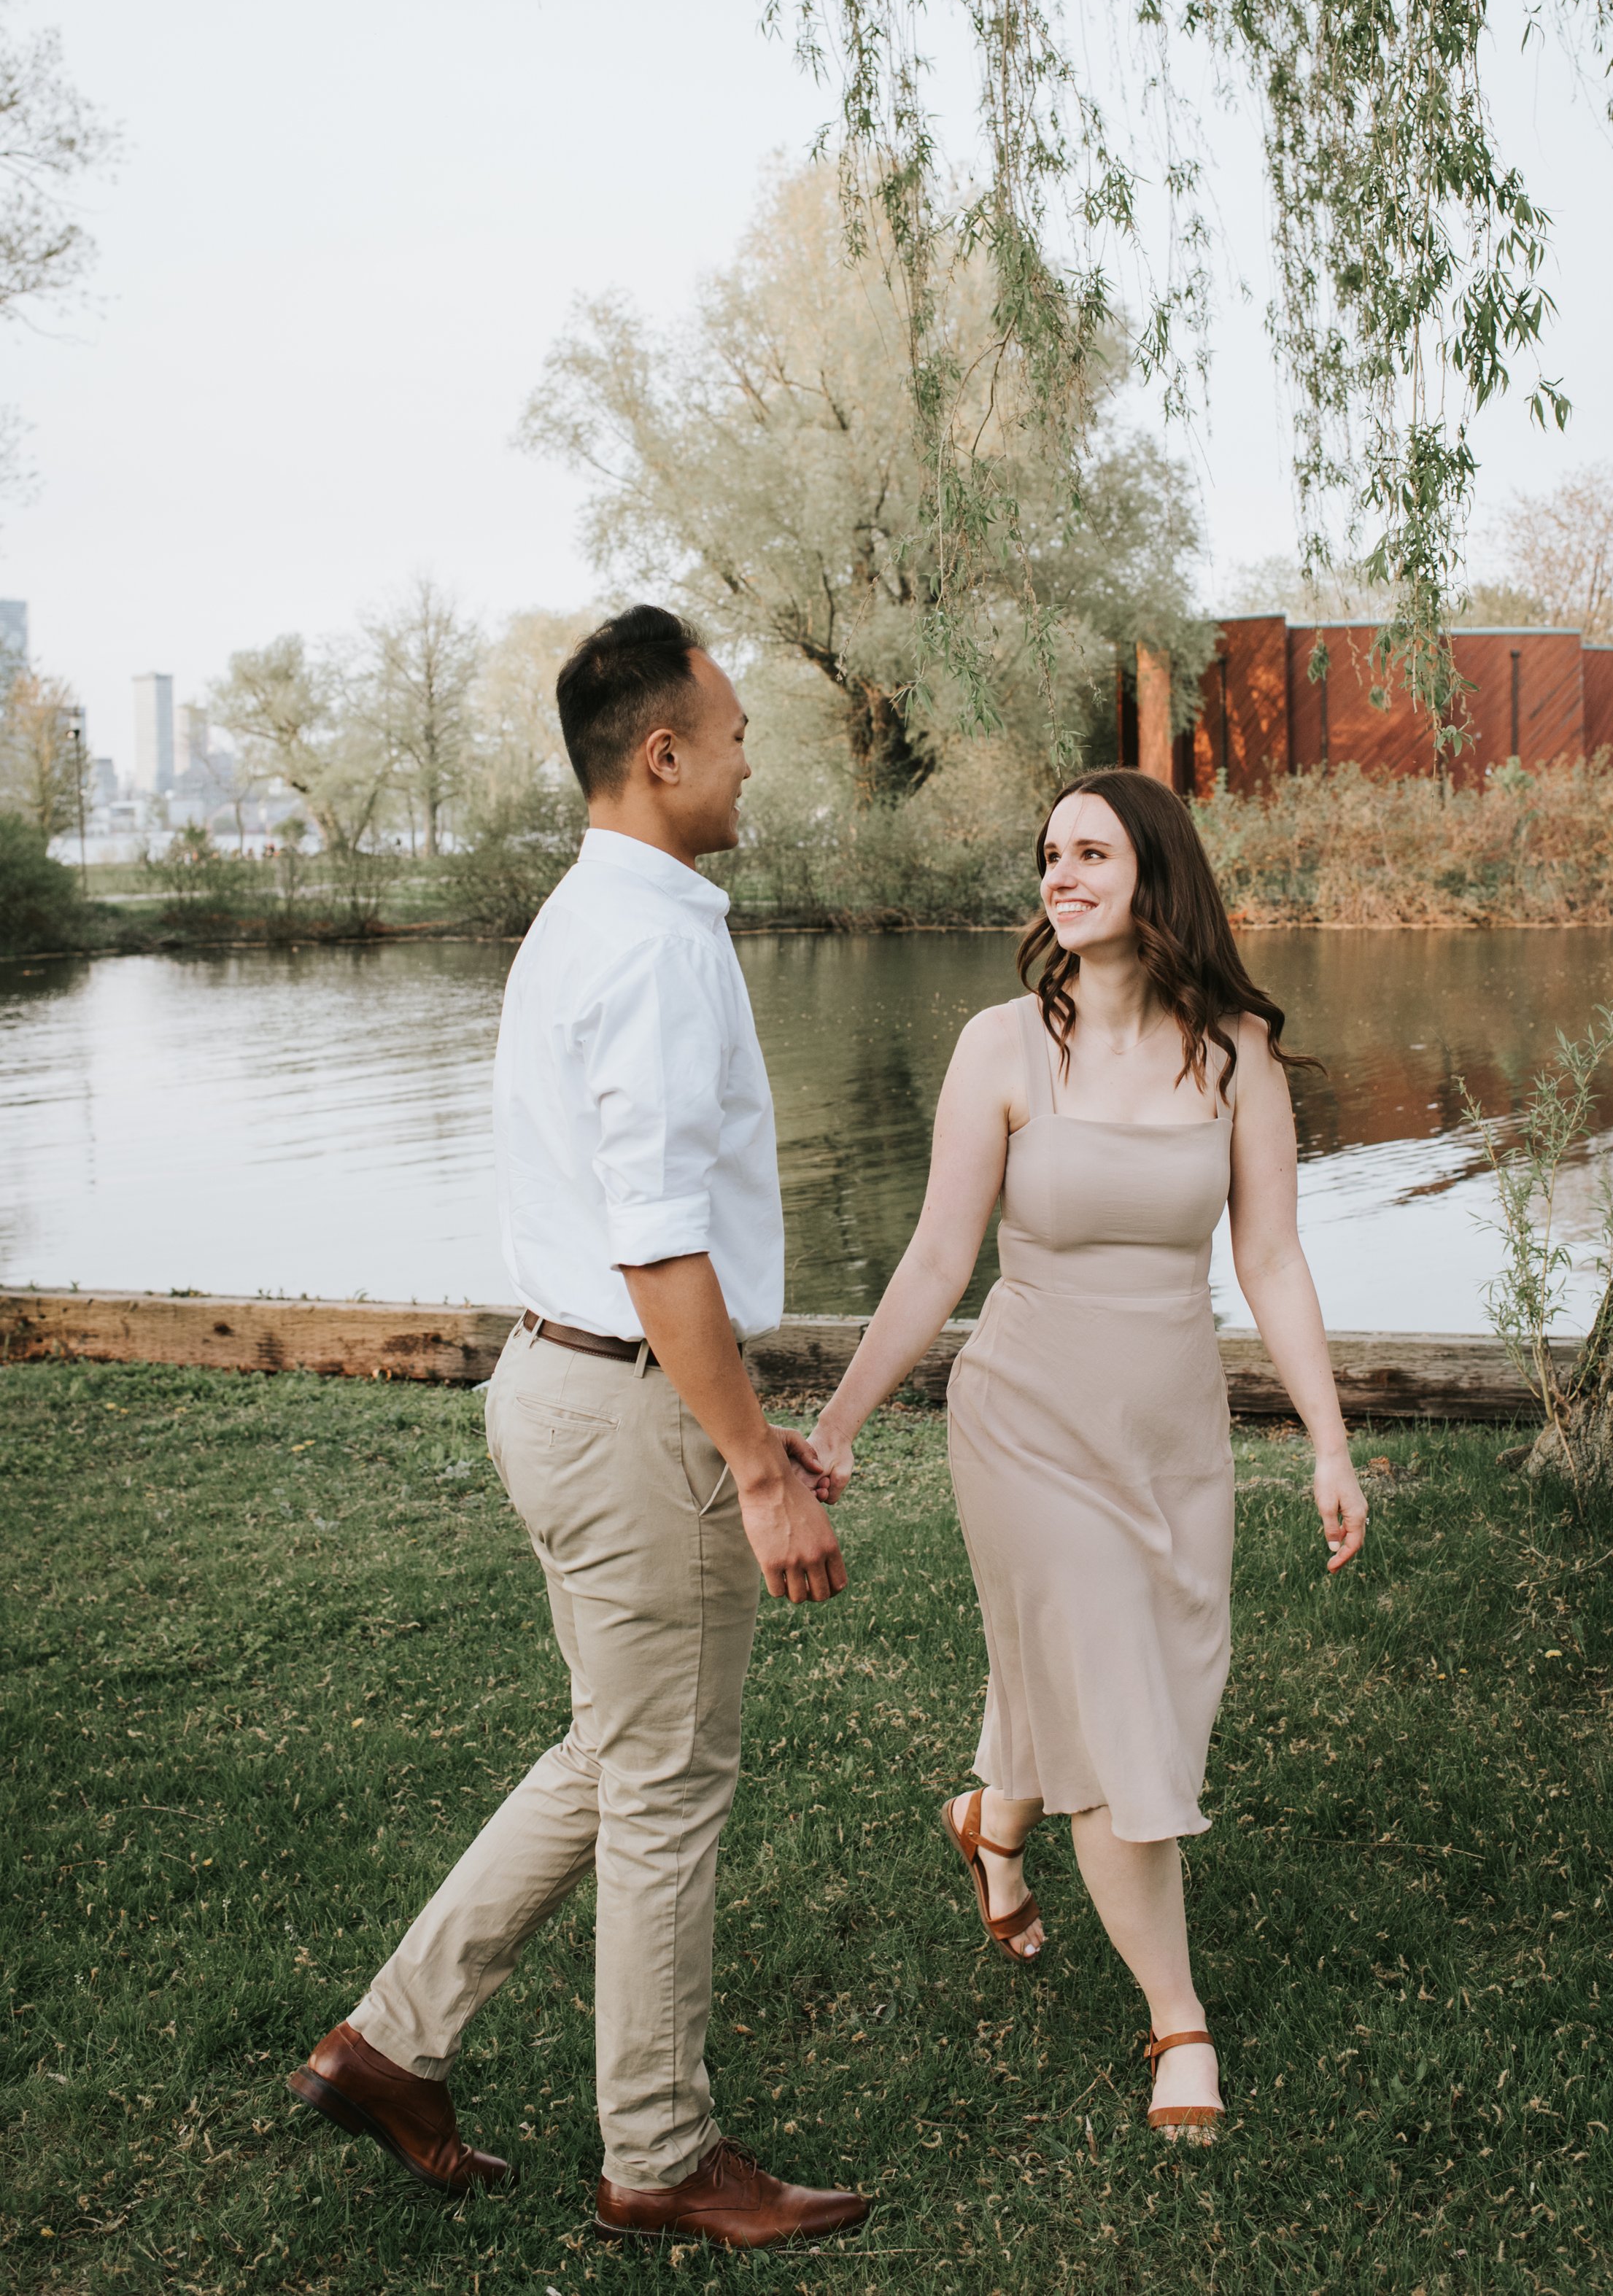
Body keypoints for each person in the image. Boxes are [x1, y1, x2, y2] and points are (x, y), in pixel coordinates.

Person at [289, 605, 868, 2252]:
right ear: (663, 753)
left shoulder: (580, 918)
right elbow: (659, 1241)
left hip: (559, 1389)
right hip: (623, 1405)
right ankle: (661, 2154)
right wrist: (751, 1467)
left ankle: (390, 2045)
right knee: (668, 1779)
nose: (753, 755)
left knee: (610, 1753)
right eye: (736, 730)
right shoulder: (656, 942)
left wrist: (737, 1427)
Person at [804, 767, 1367, 2138]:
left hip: (1171, 1431)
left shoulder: (1232, 1049)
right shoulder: (999, 1046)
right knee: (1119, 1712)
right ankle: (1180, 2021)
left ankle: (995, 1818)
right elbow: (941, 1255)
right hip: (1027, 1421)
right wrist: (837, 1420)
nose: (1060, 872)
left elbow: (1274, 1257)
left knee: (1146, 1685)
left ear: (1155, 871)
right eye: (1049, 852)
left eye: (1091, 849)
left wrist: (1329, 1443)